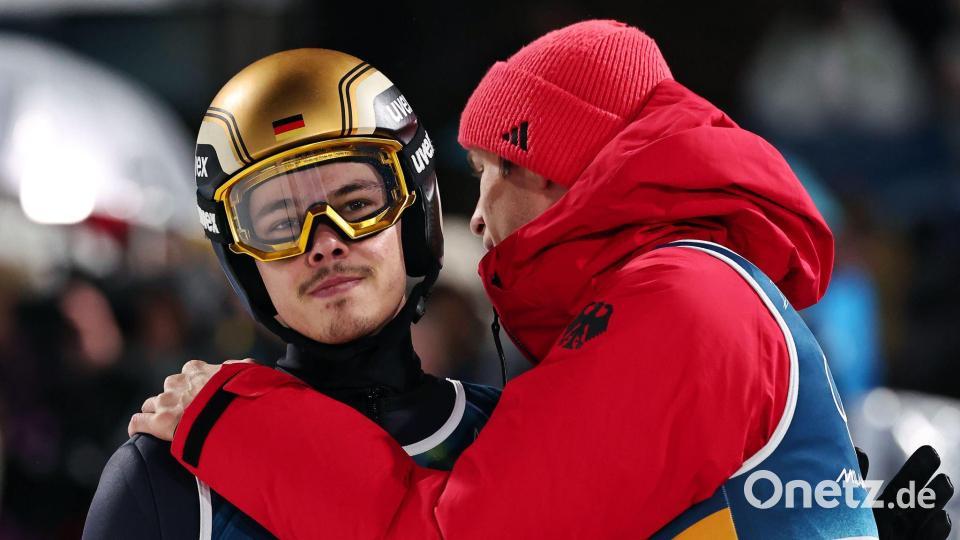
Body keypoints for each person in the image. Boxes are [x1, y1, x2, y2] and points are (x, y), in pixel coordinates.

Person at [132, 21, 953, 539]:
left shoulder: (678, 300)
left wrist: (234, 420)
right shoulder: (682, 290)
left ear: (551, 164)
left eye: (490, 171)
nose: (478, 216)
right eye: (280, 220)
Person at [82, 48, 500, 539]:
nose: (325, 243)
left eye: (357, 205)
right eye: (281, 224)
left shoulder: (511, 433)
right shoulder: (162, 479)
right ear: (245, 263)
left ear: (412, 218)